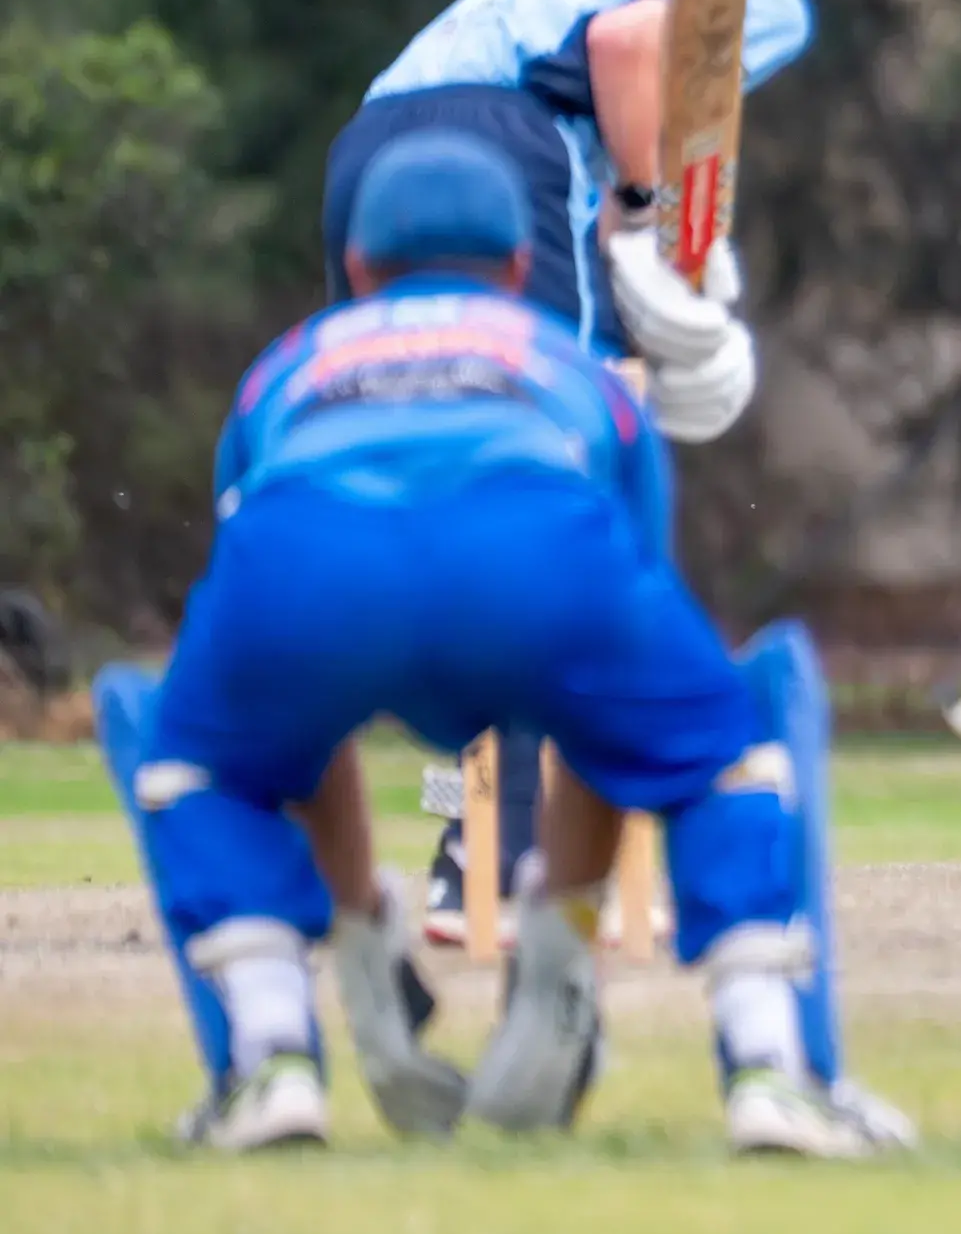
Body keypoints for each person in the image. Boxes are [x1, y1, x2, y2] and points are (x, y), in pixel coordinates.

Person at [91, 132, 911, 1155]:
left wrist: (359, 941)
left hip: (309, 548)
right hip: (535, 539)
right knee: (718, 757)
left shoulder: (284, 369)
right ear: (523, 270)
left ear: (354, 267)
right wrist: (558, 952)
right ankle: (770, 1067)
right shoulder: (572, 363)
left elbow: (286, 716)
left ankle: (269, 1057)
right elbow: (617, 720)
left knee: (201, 763)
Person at [322, 0, 847, 943]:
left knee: (422, 475)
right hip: (489, 152)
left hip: (372, 148)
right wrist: (660, 219)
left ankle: (448, 829)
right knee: (544, 491)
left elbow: (595, 94)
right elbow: (624, 51)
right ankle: (498, 850)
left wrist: (631, 279)